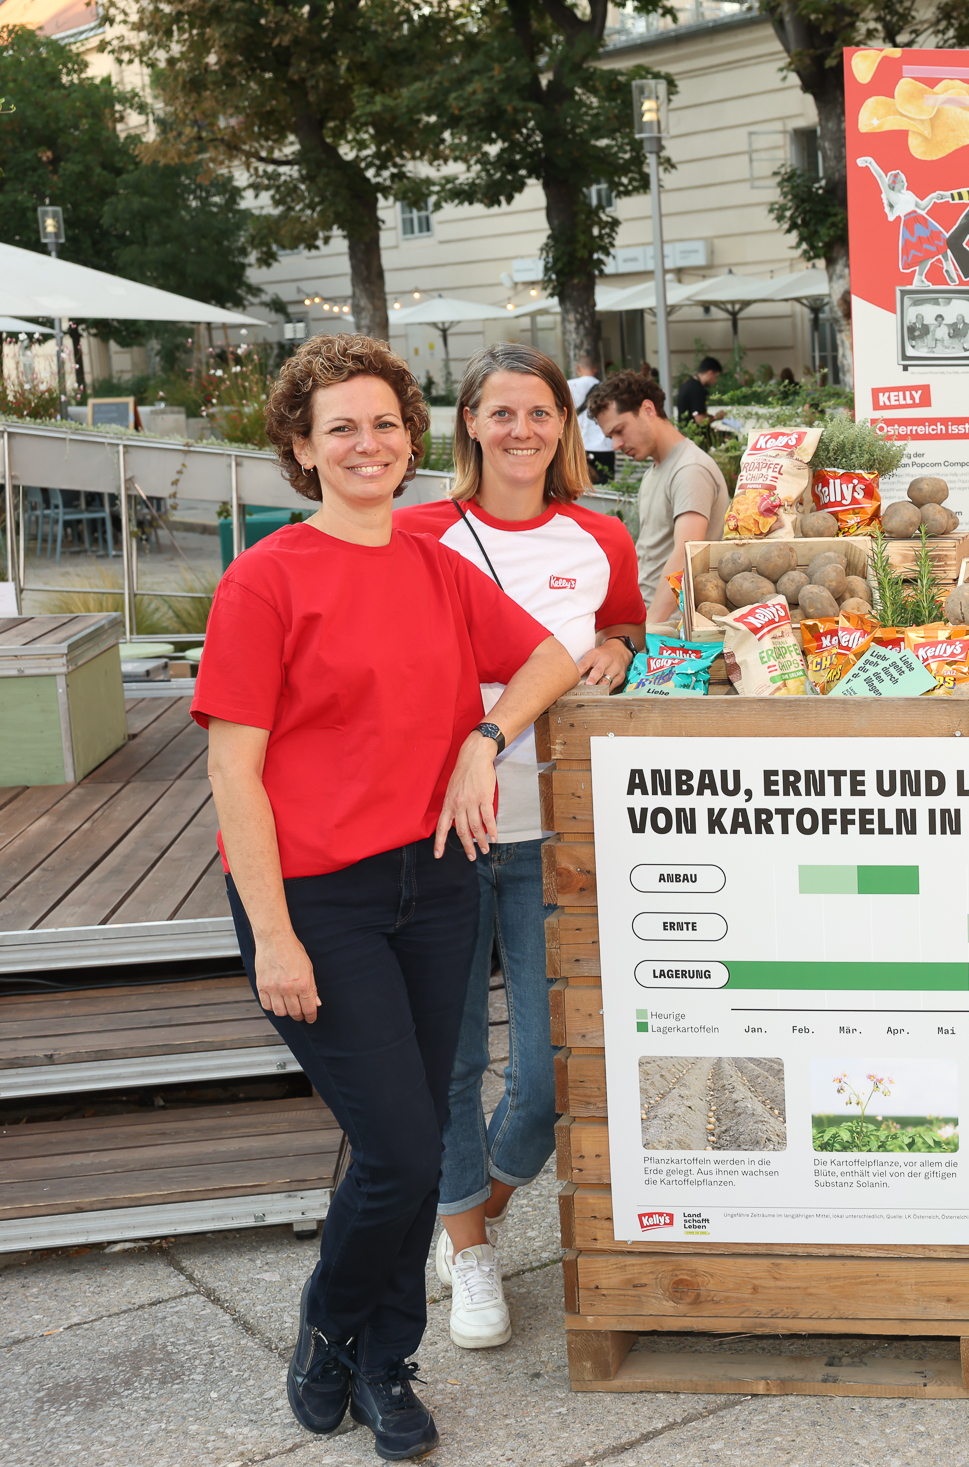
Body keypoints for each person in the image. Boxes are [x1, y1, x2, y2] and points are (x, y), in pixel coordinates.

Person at [195, 334, 578, 1460]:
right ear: (302, 448)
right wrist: (274, 937)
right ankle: (330, 1327)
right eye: (341, 429)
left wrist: (484, 738)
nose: (367, 444)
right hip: (317, 898)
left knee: (409, 1139)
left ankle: (382, 1358)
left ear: (412, 438)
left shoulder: (435, 566)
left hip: (437, 882)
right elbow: (232, 772)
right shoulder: (265, 578)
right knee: (404, 1146)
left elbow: (552, 657)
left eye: (384, 423)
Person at [393, 343, 646, 1351]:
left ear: (564, 426)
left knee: (549, 1078)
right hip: (441, 831)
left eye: (539, 412)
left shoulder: (599, 535)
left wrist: (619, 646)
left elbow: (630, 630)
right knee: (451, 1061)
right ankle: (471, 1253)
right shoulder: (416, 533)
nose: (521, 430)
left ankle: (474, 1211)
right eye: (500, 412)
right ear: (468, 424)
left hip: (560, 834)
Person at [588, 367, 728, 625]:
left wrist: (648, 628)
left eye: (620, 430)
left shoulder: (690, 469)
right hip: (644, 618)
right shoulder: (654, 472)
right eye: (610, 437)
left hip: (669, 629)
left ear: (648, 410)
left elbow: (686, 555)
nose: (616, 445)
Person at [857, 155, 955, 283]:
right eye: (902, 181)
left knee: (942, 241)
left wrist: (932, 197)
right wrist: (870, 162)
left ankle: (948, 266)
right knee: (927, 251)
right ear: (895, 183)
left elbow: (922, 207)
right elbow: (881, 177)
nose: (905, 183)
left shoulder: (908, 193)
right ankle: (918, 279)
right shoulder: (892, 195)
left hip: (921, 220)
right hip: (911, 224)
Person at [566, 352, 616, 484]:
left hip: (579, 446)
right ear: (595, 369)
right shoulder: (606, 388)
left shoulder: (568, 386)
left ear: (578, 368)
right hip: (605, 446)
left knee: (579, 487)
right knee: (606, 489)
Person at [673, 356, 722, 425]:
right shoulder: (696, 389)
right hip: (693, 430)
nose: (715, 381)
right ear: (710, 373)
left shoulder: (689, 384)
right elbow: (700, 420)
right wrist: (716, 417)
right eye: (715, 377)